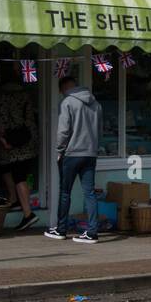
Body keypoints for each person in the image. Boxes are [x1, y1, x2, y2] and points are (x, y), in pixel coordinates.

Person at [46, 75, 104, 243]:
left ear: (63, 89)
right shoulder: (96, 104)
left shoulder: (67, 103)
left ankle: (61, 229)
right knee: (90, 193)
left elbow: (63, 130)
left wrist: (59, 150)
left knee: (65, 192)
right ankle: (92, 232)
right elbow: (99, 131)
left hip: (71, 154)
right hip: (90, 153)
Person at [0, 65, 40, 231]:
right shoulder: (25, 94)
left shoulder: (3, 97)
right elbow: (30, 117)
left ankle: (28, 214)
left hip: (11, 143)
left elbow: (1, 121)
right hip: (27, 140)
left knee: (16, 175)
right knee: (15, 172)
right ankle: (14, 200)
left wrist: (4, 140)